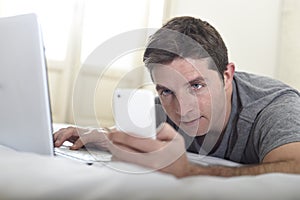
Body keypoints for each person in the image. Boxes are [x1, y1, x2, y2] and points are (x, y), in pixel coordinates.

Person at [54, 16, 300, 178]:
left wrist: (190, 171)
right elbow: (133, 136)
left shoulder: (274, 107)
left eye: (196, 85)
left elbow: (294, 169)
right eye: (167, 91)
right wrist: (104, 136)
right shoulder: (162, 107)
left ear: (226, 76)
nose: (183, 109)